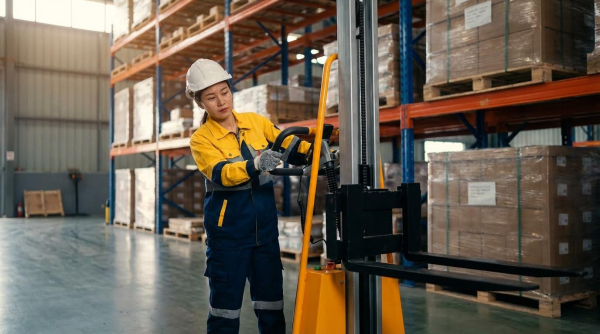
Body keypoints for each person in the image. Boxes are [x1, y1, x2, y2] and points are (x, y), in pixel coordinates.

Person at [187, 59, 311, 334]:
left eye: (224, 92)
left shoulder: (255, 122)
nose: (221, 101)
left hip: (265, 232)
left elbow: (286, 143)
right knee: (225, 311)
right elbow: (221, 173)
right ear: (200, 103)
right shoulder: (201, 139)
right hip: (228, 236)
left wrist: (313, 151)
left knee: (271, 306)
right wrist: (255, 165)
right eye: (211, 97)